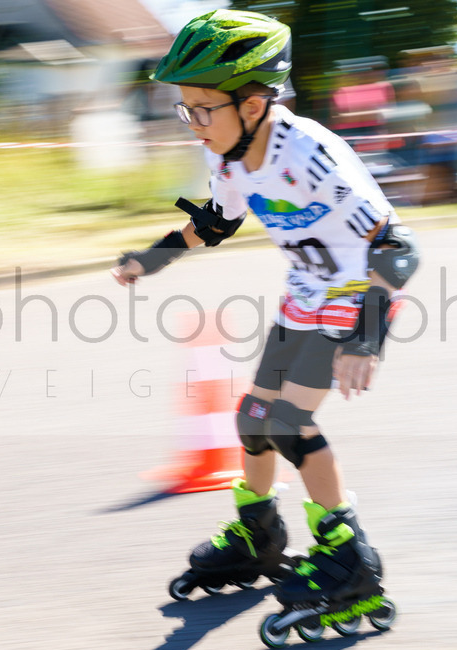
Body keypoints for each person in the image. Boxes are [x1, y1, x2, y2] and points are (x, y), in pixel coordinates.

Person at [111, 10, 419, 613]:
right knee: (253, 419)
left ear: (252, 105)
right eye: (185, 109)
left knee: (287, 423)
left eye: (202, 110)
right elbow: (218, 222)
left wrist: (367, 338)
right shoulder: (227, 154)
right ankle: (260, 536)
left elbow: (397, 247)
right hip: (307, 291)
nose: (192, 123)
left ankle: (350, 557)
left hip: (359, 294)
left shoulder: (309, 156)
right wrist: (151, 258)